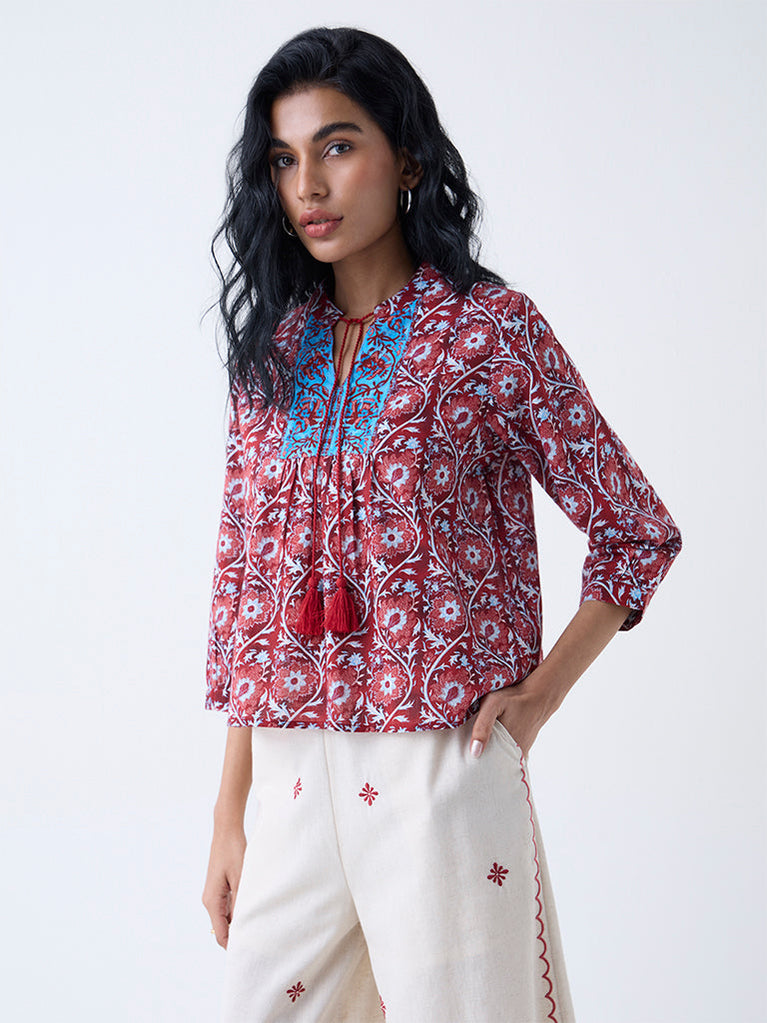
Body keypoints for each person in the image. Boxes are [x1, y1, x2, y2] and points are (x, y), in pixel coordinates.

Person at [201, 25, 682, 1023]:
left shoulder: (489, 333)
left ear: (408, 159)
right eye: (283, 160)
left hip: (435, 769)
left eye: (337, 147)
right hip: (291, 775)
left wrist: (537, 700)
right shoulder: (274, 354)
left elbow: (633, 528)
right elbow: (252, 591)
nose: (308, 186)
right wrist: (228, 812)